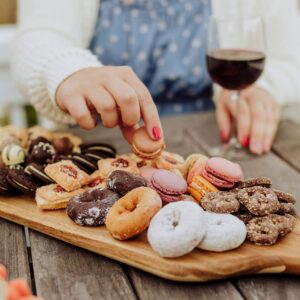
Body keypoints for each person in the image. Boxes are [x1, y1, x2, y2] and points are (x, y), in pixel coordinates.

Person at [11, 0, 300, 154]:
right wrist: (70, 72)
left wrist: (264, 88)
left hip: (216, 146)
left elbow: (291, 59)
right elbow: (38, 38)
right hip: (98, 147)